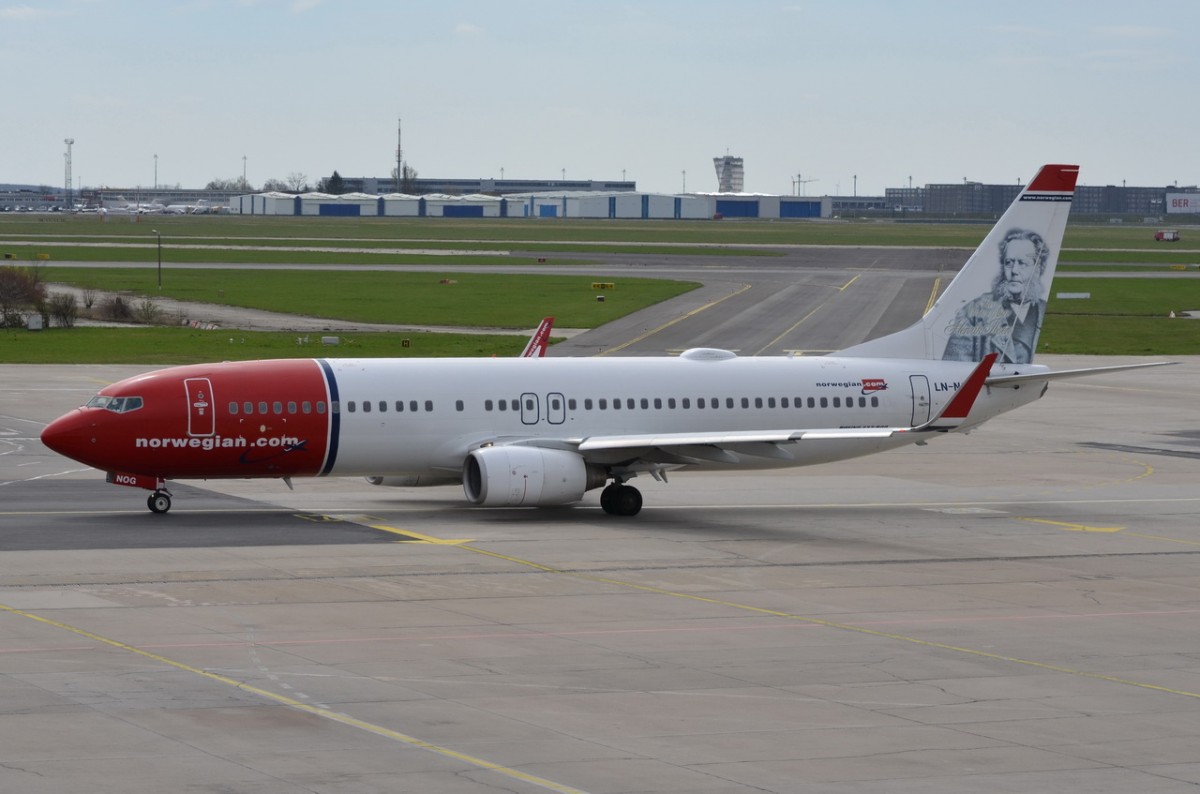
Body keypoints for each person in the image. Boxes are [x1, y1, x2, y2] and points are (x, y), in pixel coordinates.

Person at [942, 228, 1050, 363]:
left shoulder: (1041, 309)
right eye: (1009, 262)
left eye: (1022, 263)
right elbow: (954, 367)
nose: (1014, 271)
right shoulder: (972, 312)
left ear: (1038, 268)